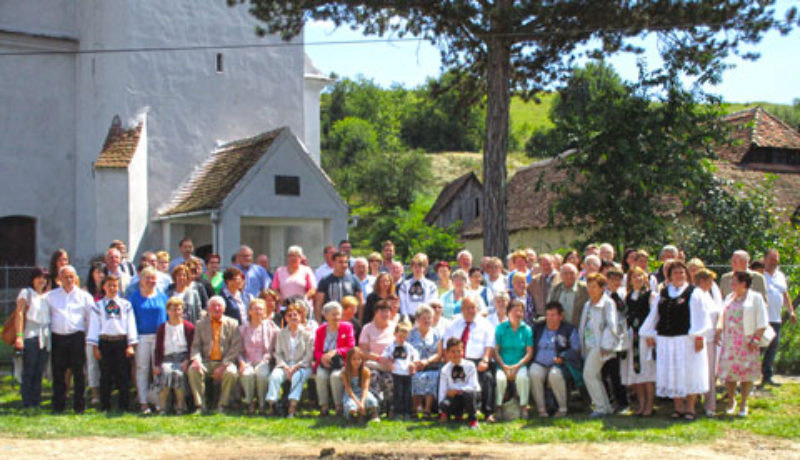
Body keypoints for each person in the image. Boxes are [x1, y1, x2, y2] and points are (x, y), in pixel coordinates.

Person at [641, 261, 711, 421]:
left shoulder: (694, 292)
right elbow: (654, 315)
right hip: (666, 340)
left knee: (689, 373)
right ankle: (678, 408)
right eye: (675, 273)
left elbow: (703, 317)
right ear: (669, 276)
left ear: (686, 274)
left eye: (681, 272)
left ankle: (690, 408)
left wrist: (699, 336)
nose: (678, 275)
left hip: (687, 340)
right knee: (673, 373)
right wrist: (649, 333)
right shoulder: (664, 293)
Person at [716, 271, 769, 417]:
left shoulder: (755, 298)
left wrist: (756, 339)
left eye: (734, 282)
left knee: (746, 375)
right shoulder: (729, 297)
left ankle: (743, 403)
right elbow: (722, 315)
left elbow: (762, 320)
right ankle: (731, 400)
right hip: (730, 342)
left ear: (744, 283)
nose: (731, 285)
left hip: (747, 342)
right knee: (729, 374)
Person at [46, 265, 95, 413]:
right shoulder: (51, 296)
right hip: (58, 338)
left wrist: (88, 338)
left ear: (76, 278)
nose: (69, 280)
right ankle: (58, 406)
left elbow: (90, 319)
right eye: (65, 277)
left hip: (77, 338)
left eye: (71, 276)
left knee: (79, 373)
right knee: (58, 373)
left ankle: (79, 406)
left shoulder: (84, 297)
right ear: (59, 279)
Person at [87, 275, 137, 412]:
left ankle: (124, 405)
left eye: (115, 285)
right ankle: (105, 406)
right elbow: (94, 327)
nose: (112, 288)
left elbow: (130, 325)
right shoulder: (98, 306)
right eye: (109, 285)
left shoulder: (126, 305)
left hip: (121, 341)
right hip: (105, 342)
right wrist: (95, 347)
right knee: (105, 375)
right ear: (104, 287)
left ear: (119, 287)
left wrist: (130, 345)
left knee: (123, 375)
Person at [443, 294, 496, 422]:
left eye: (473, 307)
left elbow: (490, 346)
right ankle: (448, 411)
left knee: (487, 377)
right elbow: (446, 346)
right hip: (457, 360)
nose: (471, 311)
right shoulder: (453, 324)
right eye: (468, 308)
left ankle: (487, 412)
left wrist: (485, 360)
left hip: (478, 361)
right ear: (462, 309)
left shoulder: (486, 324)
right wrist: (451, 363)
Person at [188, 296, 242, 413]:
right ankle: (200, 405)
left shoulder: (233, 323)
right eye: (213, 305)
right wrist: (196, 360)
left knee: (231, 372)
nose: (216, 308)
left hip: (225, 361)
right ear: (208, 308)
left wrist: (223, 365)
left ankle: (223, 405)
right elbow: (195, 346)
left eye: (219, 306)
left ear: (224, 308)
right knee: (193, 370)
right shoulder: (200, 324)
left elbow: (236, 347)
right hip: (206, 361)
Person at [529, 302, 581, 418]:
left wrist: (562, 356)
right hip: (540, 363)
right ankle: (541, 410)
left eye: (553, 315)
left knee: (555, 374)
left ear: (560, 316)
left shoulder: (569, 329)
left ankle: (562, 409)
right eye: (548, 315)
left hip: (558, 364)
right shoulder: (538, 328)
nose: (550, 318)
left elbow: (576, 348)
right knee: (533, 372)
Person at [127, 266, 168, 414]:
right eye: (148, 278)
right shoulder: (134, 298)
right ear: (141, 280)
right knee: (142, 369)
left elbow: (168, 318)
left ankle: (157, 402)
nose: (151, 281)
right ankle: (143, 401)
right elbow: (130, 321)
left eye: (153, 278)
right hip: (141, 337)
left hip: (159, 338)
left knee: (158, 370)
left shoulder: (162, 297)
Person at [578, 273, 620, 418]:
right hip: (588, 344)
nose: (590, 289)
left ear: (602, 288)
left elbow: (611, 325)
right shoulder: (587, 304)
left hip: (600, 345)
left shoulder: (608, 303)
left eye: (594, 286)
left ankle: (600, 407)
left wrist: (605, 345)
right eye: (589, 286)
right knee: (594, 376)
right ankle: (605, 407)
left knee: (588, 374)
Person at [267, 302, 314, 417]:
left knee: (298, 376)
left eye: (295, 315)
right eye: (290, 315)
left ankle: (292, 406)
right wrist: (285, 367)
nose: (293, 317)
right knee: (275, 376)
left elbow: (309, 355)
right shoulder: (280, 334)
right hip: (285, 365)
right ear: (286, 318)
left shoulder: (307, 334)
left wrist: (296, 367)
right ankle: (273, 404)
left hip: (302, 366)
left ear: (300, 317)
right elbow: (277, 353)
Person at [621, 267, 656, 417]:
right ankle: (641, 405)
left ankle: (649, 405)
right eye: (634, 276)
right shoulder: (628, 296)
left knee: (647, 372)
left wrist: (651, 334)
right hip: (632, 336)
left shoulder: (651, 295)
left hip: (645, 336)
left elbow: (654, 317)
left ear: (645, 278)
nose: (638, 279)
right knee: (636, 372)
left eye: (640, 276)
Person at [13, 267, 50, 408]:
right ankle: (27, 401)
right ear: (33, 279)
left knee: (39, 370)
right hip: (30, 336)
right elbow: (20, 313)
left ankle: (36, 399)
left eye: (44, 278)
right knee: (29, 369)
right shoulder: (26, 293)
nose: (42, 280)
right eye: (39, 277)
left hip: (45, 337)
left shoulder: (46, 296)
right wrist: (19, 337)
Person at [153, 297, 195, 415]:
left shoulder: (189, 327)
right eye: (173, 309)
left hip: (183, 358)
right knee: (166, 372)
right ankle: (163, 407)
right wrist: (156, 365)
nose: (176, 312)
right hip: (167, 358)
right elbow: (158, 349)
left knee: (179, 374)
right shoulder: (162, 328)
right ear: (168, 311)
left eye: (179, 309)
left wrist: (187, 360)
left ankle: (180, 407)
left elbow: (193, 347)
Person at [314, 301, 356, 416]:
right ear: (325, 315)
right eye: (333, 314)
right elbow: (316, 350)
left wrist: (336, 351)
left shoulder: (347, 327)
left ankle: (339, 407)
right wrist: (322, 358)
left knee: (335, 376)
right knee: (321, 376)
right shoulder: (320, 330)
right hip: (324, 361)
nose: (337, 317)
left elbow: (350, 347)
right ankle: (324, 407)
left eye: (338, 314)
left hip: (341, 362)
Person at [493, 299, 533, 419]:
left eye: (521, 311)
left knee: (522, 378)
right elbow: (496, 351)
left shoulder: (527, 329)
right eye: (515, 311)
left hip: (520, 364)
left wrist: (517, 366)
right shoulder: (500, 328)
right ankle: (498, 407)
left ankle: (523, 406)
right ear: (508, 312)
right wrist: (504, 366)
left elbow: (529, 352)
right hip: (503, 364)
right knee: (500, 379)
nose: (518, 314)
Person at [238, 298, 279, 414]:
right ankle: (250, 402)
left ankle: (262, 404)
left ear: (265, 312)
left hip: (264, 361)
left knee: (262, 375)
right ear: (249, 311)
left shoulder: (271, 326)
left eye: (261, 309)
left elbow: (284, 335)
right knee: (247, 374)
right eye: (255, 309)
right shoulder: (243, 328)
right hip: (247, 361)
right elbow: (238, 350)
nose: (258, 312)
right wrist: (241, 362)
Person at [762, 249, 796, 387]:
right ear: (765, 259)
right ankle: (749, 378)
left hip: (775, 318)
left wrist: (791, 311)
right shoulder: (759, 275)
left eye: (776, 259)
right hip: (762, 319)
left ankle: (767, 376)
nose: (773, 261)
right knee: (758, 348)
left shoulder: (780, 276)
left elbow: (785, 295)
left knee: (772, 348)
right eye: (771, 258)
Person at [358, 300, 397, 415]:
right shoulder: (367, 328)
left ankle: (389, 408)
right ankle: (374, 407)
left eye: (388, 311)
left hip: (390, 364)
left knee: (388, 379)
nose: (386, 314)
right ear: (375, 312)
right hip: (373, 363)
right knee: (373, 376)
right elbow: (363, 351)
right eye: (382, 311)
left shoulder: (394, 327)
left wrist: (389, 361)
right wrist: (379, 358)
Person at [694, 268, 722, 417]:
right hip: (699, 341)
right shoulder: (696, 295)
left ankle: (710, 404)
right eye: (709, 281)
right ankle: (694, 403)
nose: (711, 284)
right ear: (702, 281)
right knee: (698, 372)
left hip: (711, 340)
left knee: (711, 373)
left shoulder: (708, 296)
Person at [407, 304, 443, 418]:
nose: (427, 320)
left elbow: (439, 353)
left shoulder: (437, 334)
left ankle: (427, 409)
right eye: (424, 318)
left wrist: (426, 361)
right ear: (418, 319)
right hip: (415, 365)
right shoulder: (410, 334)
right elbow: (406, 350)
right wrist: (414, 363)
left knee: (432, 376)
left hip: (433, 364)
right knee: (415, 376)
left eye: (429, 318)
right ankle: (415, 408)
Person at [379, 322, 419, 420]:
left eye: (404, 337)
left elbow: (416, 355)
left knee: (407, 394)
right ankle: (397, 411)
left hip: (406, 374)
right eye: (400, 336)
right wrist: (388, 363)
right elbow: (383, 356)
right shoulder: (391, 347)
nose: (402, 339)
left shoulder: (409, 347)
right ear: (395, 334)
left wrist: (413, 363)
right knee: (398, 393)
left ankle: (406, 412)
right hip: (396, 373)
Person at [438, 337, 480, 429]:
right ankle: (457, 415)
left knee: (469, 394)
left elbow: (473, 385)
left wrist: (458, 390)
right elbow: (442, 390)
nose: (456, 354)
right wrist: (442, 411)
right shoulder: (445, 369)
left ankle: (473, 420)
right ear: (448, 353)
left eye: (459, 351)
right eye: (453, 351)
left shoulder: (470, 365)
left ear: (463, 351)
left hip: (469, 395)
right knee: (444, 404)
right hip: (454, 397)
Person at [314, 252, 363, 323]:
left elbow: (360, 302)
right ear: (333, 263)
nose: (343, 265)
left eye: (345, 262)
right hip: (331, 320)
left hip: (349, 320)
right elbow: (318, 303)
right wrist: (318, 322)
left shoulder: (354, 280)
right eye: (340, 262)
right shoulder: (325, 280)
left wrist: (360, 321)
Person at [83, 261, 106, 405]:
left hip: (106, 333)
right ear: (92, 274)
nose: (100, 275)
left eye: (102, 272)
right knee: (92, 364)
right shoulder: (86, 292)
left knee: (105, 364)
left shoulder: (109, 290)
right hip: (91, 333)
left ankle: (105, 392)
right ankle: (94, 393)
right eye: (97, 272)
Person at [341, 347, 381, 423]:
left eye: (359, 359)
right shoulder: (345, 372)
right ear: (349, 360)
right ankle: (355, 416)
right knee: (351, 406)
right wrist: (358, 403)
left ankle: (373, 414)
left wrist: (362, 402)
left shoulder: (365, 371)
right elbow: (348, 390)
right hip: (351, 394)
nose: (357, 362)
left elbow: (365, 389)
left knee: (371, 401)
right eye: (354, 359)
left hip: (363, 393)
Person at [397, 253, 437, 321]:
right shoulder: (404, 285)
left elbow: (432, 303)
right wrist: (405, 318)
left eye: (420, 266)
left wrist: (425, 317)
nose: (417, 269)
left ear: (424, 268)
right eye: (415, 266)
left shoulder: (431, 286)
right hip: (408, 319)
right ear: (411, 268)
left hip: (425, 318)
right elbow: (402, 304)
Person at [528, 254, 560, 319]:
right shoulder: (535, 280)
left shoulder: (561, 278)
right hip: (540, 317)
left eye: (548, 264)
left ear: (553, 263)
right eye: (543, 265)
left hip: (556, 317)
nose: (546, 267)